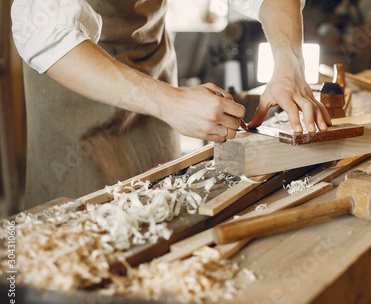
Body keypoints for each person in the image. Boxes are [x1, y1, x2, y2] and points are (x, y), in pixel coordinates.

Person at [11, 0, 331, 208]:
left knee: (160, 209)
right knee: (86, 231)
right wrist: (170, 104)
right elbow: (44, 33)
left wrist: (290, 65)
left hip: (153, 61)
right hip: (79, 72)